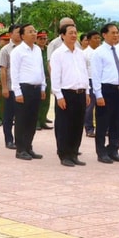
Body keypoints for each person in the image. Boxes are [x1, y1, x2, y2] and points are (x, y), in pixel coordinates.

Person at [90, 23, 119, 164]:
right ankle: (101, 152)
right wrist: (98, 95)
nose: (115, 35)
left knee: (116, 122)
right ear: (104, 35)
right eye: (112, 33)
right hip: (106, 90)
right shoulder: (98, 52)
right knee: (102, 123)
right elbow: (95, 76)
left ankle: (113, 149)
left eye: (117, 32)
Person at [50, 24, 88, 166]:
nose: (73, 35)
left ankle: (73, 153)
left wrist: (87, 91)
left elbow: (84, 73)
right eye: (70, 33)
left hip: (81, 93)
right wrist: (58, 95)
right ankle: (64, 154)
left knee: (77, 125)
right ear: (63, 35)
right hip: (66, 94)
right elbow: (55, 76)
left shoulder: (80, 53)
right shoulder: (58, 54)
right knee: (64, 125)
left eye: (75, 32)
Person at [10, 24, 46, 160]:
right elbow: (14, 72)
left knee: (32, 120)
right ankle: (20, 149)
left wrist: (43, 86)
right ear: (22, 35)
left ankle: (28, 146)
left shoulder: (37, 49)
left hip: (36, 88)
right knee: (21, 120)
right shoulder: (17, 52)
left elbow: (41, 70)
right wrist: (17, 92)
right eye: (30, 32)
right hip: (24, 88)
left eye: (34, 31)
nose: (34, 33)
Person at [0, 25, 21, 149]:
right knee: (8, 115)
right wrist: (4, 87)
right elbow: (3, 70)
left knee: (21, 116)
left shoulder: (26, 48)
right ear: (10, 34)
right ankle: (9, 139)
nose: (19, 34)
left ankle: (20, 140)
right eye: (17, 32)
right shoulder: (5, 50)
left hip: (23, 87)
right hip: (11, 87)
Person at [82, 30, 101, 138]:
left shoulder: (101, 52)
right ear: (88, 40)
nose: (98, 40)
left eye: (99, 38)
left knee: (101, 105)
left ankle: (101, 127)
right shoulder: (85, 53)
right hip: (90, 80)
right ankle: (89, 128)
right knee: (90, 106)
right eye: (95, 38)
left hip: (101, 80)